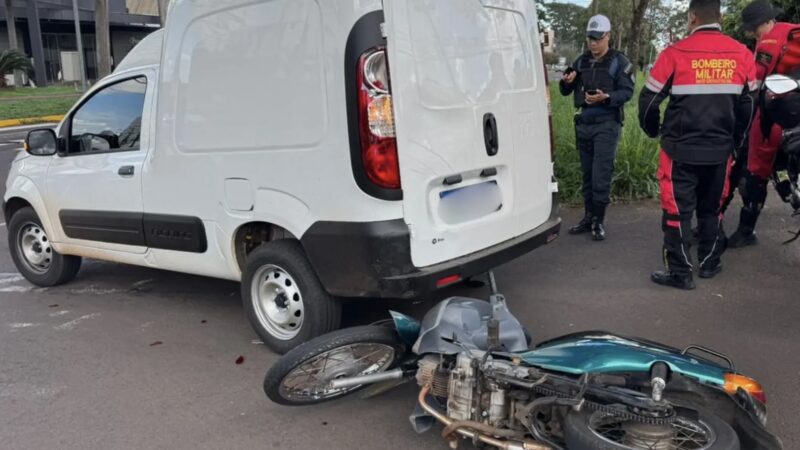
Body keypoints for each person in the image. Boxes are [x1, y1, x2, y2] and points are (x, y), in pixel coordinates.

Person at [639, 0, 757, 290]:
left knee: (676, 210)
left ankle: (680, 273)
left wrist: (655, 131)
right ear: (720, 17)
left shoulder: (674, 54)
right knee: (711, 208)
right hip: (720, 151)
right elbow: (749, 105)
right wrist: (736, 141)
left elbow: (648, 102)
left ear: (692, 18)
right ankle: (709, 263)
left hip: (680, 151)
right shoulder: (742, 54)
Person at [727, 0, 800, 247]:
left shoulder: (771, 39)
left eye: (754, 27)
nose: (752, 32)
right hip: (789, 112)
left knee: (755, 171)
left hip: (773, 114)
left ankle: (746, 232)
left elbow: (757, 80)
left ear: (767, 21)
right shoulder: (788, 32)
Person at [559, 14, 635, 241]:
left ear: (608, 36)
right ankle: (588, 217)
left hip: (607, 125)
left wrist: (606, 96)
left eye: (597, 38)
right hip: (584, 125)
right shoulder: (581, 61)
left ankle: (599, 221)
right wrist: (567, 81)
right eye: (590, 38)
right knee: (587, 176)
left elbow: (627, 92)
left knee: (601, 175)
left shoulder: (619, 62)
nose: (593, 43)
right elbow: (564, 89)